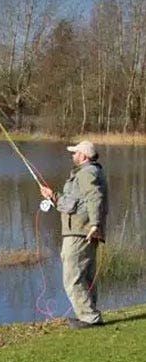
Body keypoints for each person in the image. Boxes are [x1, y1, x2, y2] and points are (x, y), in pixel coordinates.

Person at [40, 140, 108, 329]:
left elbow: (95, 197)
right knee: (85, 275)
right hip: (83, 231)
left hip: (81, 232)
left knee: (72, 277)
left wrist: (95, 224)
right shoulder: (88, 173)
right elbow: (74, 203)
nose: (72, 155)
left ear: (84, 156)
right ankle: (91, 315)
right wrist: (53, 196)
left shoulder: (87, 173)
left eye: (75, 153)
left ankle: (89, 318)